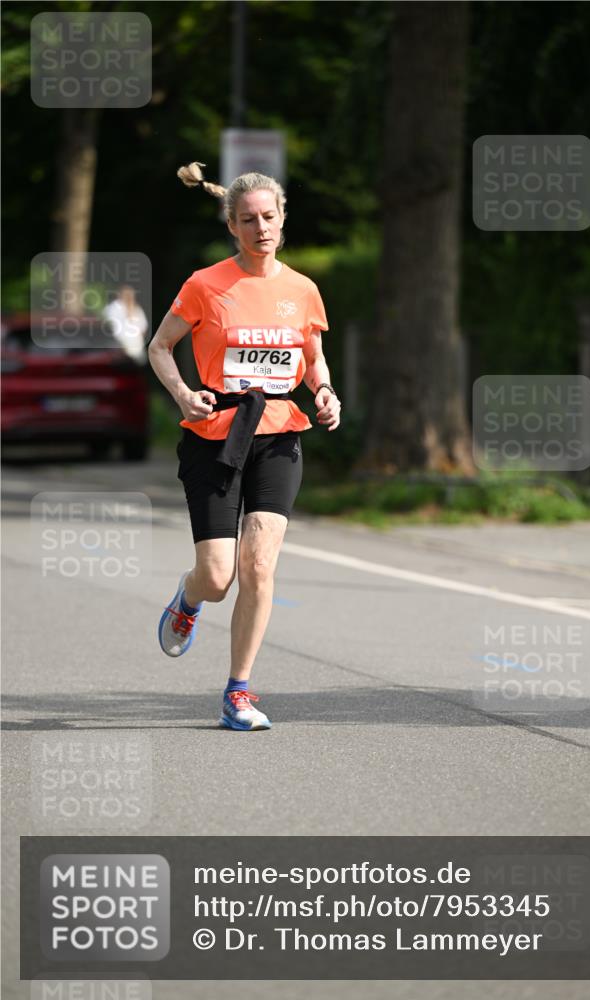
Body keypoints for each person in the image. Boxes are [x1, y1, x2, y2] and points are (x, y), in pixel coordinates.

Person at [148, 162, 341, 731]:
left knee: (258, 565)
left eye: (269, 217)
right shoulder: (205, 284)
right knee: (218, 575)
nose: (260, 227)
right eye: (248, 220)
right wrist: (185, 395)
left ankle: (238, 692)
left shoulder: (302, 289)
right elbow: (160, 347)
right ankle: (186, 602)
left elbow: (311, 357)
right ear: (232, 226)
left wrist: (325, 390)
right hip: (216, 438)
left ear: (282, 220)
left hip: (280, 435)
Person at [103, 285, 149, 363]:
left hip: (135, 351)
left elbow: (143, 329)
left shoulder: (137, 309)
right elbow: (109, 327)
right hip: (119, 350)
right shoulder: (114, 308)